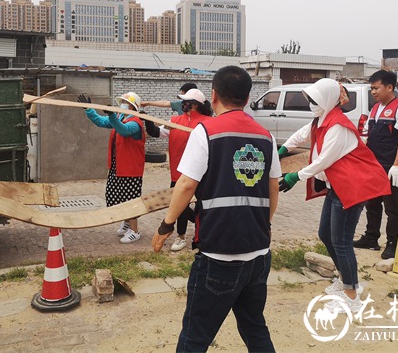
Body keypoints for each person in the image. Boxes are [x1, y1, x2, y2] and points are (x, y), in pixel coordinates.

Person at [152, 66, 280, 352]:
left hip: (219, 256)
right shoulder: (266, 136)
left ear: (213, 95)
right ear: (247, 98)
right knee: (255, 328)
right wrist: (264, 224)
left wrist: (166, 225)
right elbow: (273, 189)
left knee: (195, 335)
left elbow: (185, 185)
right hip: (258, 255)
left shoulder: (206, 131)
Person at [277, 78, 391, 314]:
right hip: (337, 187)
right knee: (325, 234)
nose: (311, 104)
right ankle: (345, 278)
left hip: (351, 188)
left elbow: (323, 160)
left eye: (315, 100)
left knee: (341, 241)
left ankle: (351, 296)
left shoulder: (337, 125)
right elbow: (300, 136)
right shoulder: (322, 120)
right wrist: (282, 149)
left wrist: (295, 176)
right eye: (310, 100)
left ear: (328, 100)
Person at [353, 70, 398, 259]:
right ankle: (371, 237)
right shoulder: (375, 109)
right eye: (371, 88)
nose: (373, 92)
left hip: (391, 167)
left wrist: (397, 166)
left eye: (376, 88)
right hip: (374, 165)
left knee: (393, 208)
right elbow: (369, 136)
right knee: (372, 204)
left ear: (390, 87)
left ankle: (392, 244)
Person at [144, 88, 213, 251]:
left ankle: (201, 233)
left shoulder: (207, 123)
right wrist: (146, 120)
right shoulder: (174, 121)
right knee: (179, 203)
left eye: (186, 102)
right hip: (179, 171)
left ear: (195, 105)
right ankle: (181, 236)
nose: (182, 104)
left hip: (203, 174)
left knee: (200, 205)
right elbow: (157, 132)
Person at [78, 92, 145, 244]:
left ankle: (135, 231)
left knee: (130, 199)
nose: (122, 104)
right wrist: (89, 110)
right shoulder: (120, 118)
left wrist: (113, 116)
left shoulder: (136, 123)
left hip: (130, 168)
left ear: (132, 106)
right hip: (118, 166)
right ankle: (127, 223)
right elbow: (101, 121)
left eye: (124, 102)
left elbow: (124, 130)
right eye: (121, 101)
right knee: (118, 197)